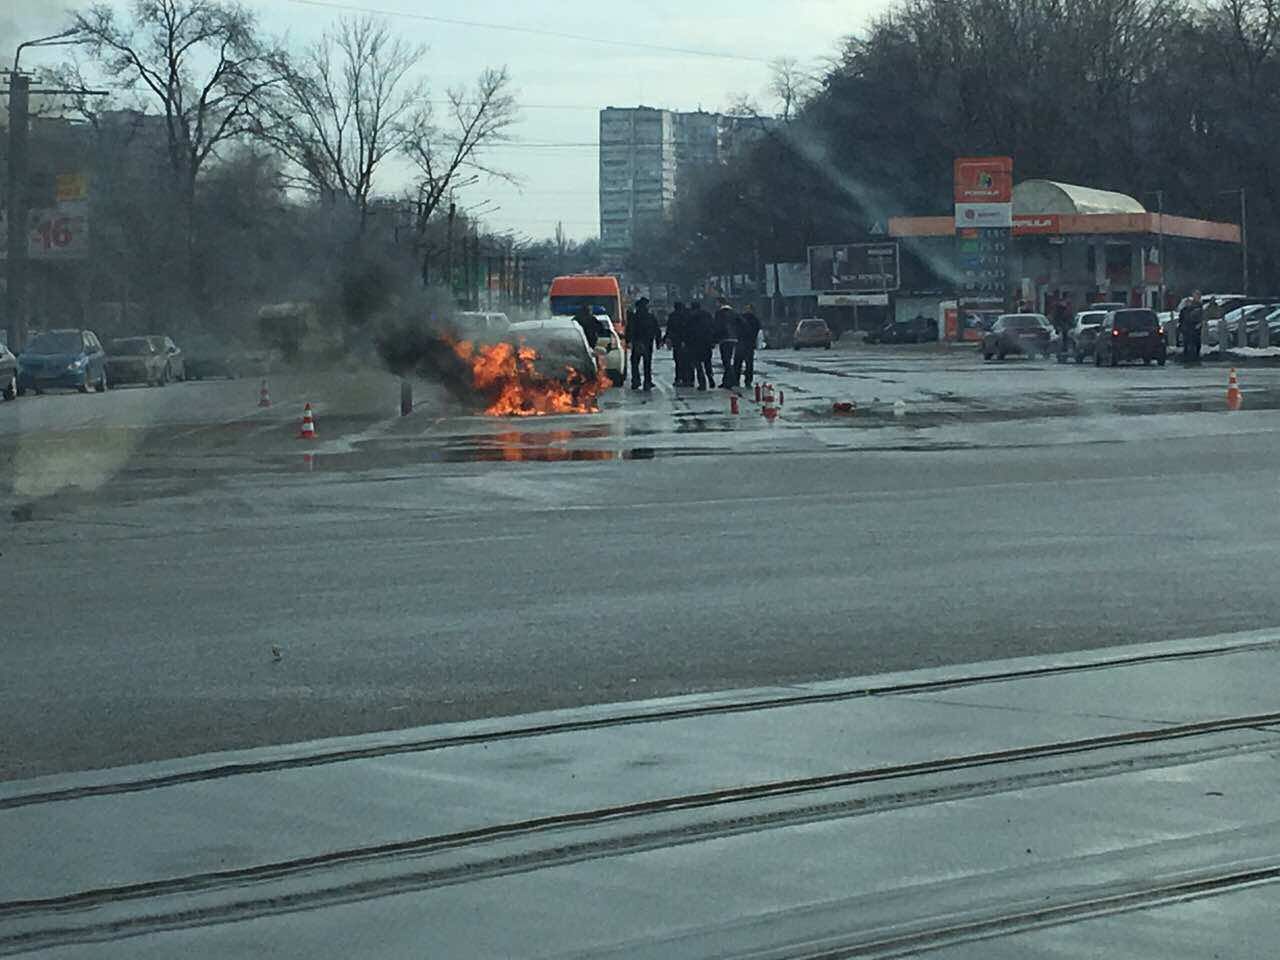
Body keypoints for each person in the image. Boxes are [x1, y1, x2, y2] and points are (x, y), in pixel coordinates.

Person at [627, 296, 659, 390]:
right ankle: (647, 382)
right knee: (647, 363)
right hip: (648, 343)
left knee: (635, 362)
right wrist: (658, 341)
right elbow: (656, 329)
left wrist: (628, 340)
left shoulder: (634, 317)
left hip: (637, 342)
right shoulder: (650, 317)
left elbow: (630, 329)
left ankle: (636, 381)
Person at [687, 299, 716, 390]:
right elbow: (713, 327)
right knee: (707, 362)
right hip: (707, 342)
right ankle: (710, 378)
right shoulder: (707, 315)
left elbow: (688, 330)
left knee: (698, 364)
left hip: (695, 343)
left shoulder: (691, 316)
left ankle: (702, 383)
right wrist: (713, 340)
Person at [732, 304, 761, 388]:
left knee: (738, 363)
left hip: (742, 343)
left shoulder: (740, 318)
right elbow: (756, 331)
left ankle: (737, 380)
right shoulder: (755, 320)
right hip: (749, 344)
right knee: (748, 364)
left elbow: (735, 328)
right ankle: (747, 381)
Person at [713, 299, 738, 388]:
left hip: (724, 339)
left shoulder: (719, 313)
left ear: (720, 303)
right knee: (728, 359)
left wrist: (715, 338)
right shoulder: (734, 313)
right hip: (733, 338)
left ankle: (731, 380)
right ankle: (727, 380)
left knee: (726, 361)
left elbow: (717, 326)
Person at [666, 302, 691, 386]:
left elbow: (669, 328)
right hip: (687, 340)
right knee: (687, 361)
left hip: (676, 341)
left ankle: (678, 378)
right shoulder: (687, 315)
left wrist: (667, 339)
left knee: (678, 361)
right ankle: (687, 379)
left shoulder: (672, 316)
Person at [1179, 290, 1204, 363]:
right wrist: (1181, 327)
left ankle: (1195, 356)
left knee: (1196, 342)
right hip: (1187, 328)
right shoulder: (1184, 310)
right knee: (1187, 343)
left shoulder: (1199, 306)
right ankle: (1187, 356)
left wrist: (1199, 324)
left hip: (1194, 328)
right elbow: (1181, 319)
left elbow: (1201, 317)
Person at [1052, 295, 1072, 360]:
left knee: (1065, 338)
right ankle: (1061, 351)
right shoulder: (1059, 309)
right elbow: (1056, 319)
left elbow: (1069, 319)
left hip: (1064, 327)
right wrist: (1058, 327)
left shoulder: (1066, 309)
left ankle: (1063, 350)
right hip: (1060, 328)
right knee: (1061, 339)